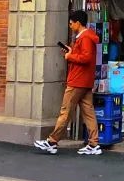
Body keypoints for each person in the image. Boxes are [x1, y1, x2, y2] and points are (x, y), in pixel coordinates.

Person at [33, 10, 102, 155]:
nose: (70, 26)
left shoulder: (85, 37)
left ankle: (52, 141)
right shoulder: (87, 36)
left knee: (65, 112)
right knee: (88, 112)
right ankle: (94, 144)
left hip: (77, 80)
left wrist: (70, 56)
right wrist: (71, 52)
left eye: (71, 23)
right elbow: (85, 56)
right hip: (85, 81)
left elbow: (85, 58)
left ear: (78, 23)